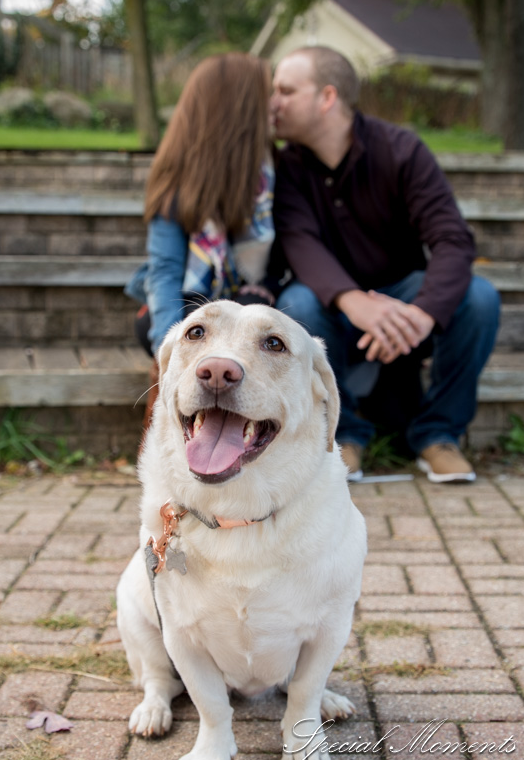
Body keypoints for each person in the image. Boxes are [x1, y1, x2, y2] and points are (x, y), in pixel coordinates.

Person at [270, 46, 500, 483]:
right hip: (330, 309)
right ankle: (342, 436)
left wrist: (422, 313)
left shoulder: (401, 150)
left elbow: (453, 239)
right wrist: (355, 302)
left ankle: (437, 435)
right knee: (295, 306)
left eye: (286, 90)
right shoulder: (287, 168)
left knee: (480, 298)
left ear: (327, 97)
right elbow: (300, 244)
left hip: (403, 302)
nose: (273, 102)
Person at [125, 52, 277, 359]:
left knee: (250, 313)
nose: (275, 103)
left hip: (252, 303)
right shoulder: (177, 179)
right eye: (269, 94)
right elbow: (165, 272)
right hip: (190, 302)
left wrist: (268, 287)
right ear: (241, 108)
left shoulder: (272, 172)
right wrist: (169, 357)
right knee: (181, 326)